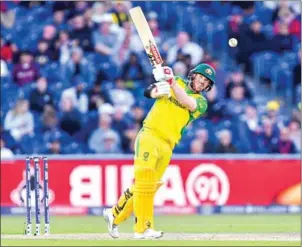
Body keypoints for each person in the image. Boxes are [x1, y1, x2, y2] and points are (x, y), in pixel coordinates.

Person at [103, 63, 216, 239]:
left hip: (168, 145)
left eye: (206, 81)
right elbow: (148, 92)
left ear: (208, 87)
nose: (202, 82)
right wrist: (157, 89)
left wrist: (171, 82)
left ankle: (114, 214)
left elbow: (187, 102)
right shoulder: (175, 81)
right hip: (150, 135)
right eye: (201, 77)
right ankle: (143, 228)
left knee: (148, 188)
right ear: (193, 75)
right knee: (145, 181)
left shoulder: (201, 102)